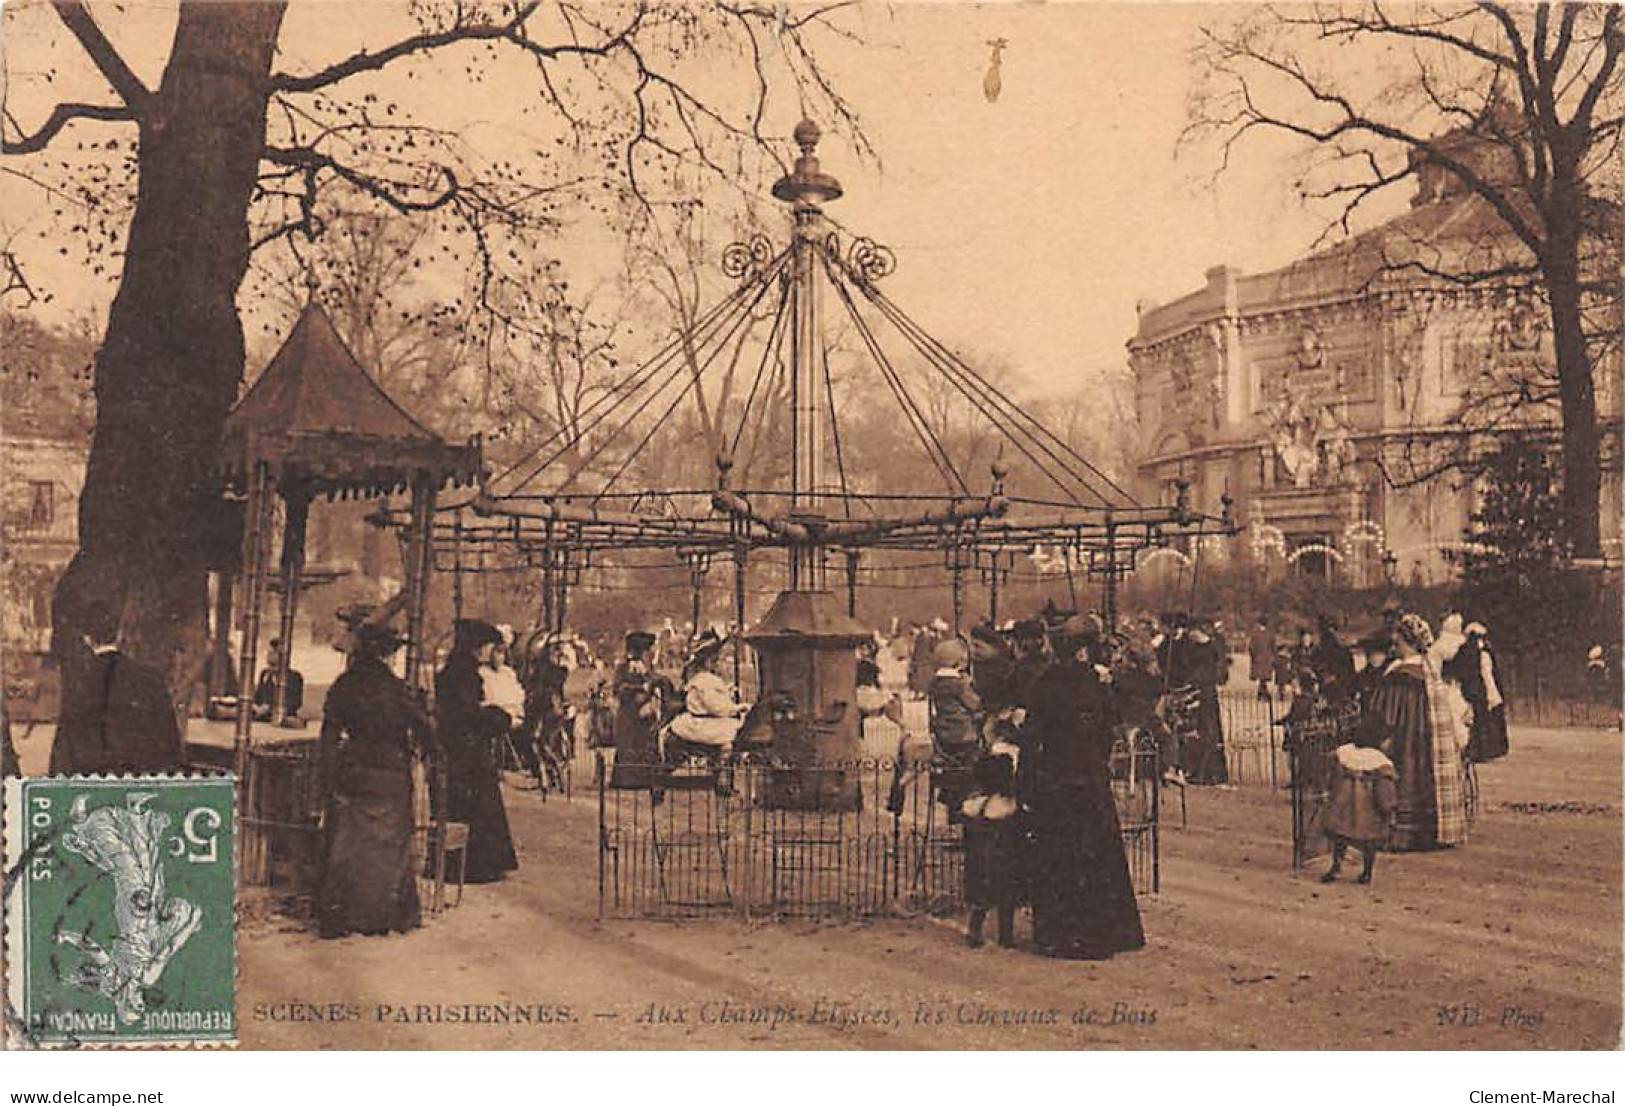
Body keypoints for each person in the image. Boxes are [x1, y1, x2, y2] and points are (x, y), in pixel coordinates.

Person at [1023, 613, 1144, 960]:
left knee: (1061, 859)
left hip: (1057, 783)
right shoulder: (1096, 685)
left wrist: (1027, 785)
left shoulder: (1044, 685)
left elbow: (1033, 741)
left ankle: (1061, 935)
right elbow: (1110, 731)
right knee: (1097, 859)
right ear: (1084, 652)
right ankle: (1105, 932)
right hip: (1090, 782)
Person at [315, 618, 434, 938]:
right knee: (390, 845)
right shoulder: (397, 689)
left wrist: (328, 775)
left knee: (348, 842)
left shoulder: (343, 686)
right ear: (385, 655)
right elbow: (424, 729)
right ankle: (383, 916)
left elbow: (328, 735)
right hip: (390, 773)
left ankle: (340, 916)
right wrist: (429, 751)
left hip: (353, 770)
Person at [1365, 613, 1470, 851]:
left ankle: (1401, 835)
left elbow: (1386, 716)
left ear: (1406, 641)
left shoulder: (1400, 676)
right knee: (1423, 778)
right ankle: (1429, 832)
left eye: (1398, 639)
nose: (1395, 643)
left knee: (1403, 779)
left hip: (1403, 738)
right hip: (1425, 738)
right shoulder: (1428, 671)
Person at [50, 597, 185, 775]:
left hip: (96, 792)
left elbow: (65, 754)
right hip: (144, 788)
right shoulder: (151, 678)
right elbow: (171, 744)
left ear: (87, 639)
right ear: (119, 634)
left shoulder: (79, 684)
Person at [435, 618, 518, 883]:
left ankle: (460, 864)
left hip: (459, 747)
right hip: (467, 749)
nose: (488, 652)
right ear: (476, 647)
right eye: (486, 646)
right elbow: (467, 715)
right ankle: (476, 866)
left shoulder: (455, 670)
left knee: (463, 806)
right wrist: (499, 719)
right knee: (476, 806)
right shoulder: (465, 674)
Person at [1320, 723, 1398, 886]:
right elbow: (1384, 791)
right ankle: (1366, 872)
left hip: (1342, 808)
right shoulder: (1380, 763)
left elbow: (1330, 775)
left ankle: (1336, 867)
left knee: (1340, 839)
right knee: (1370, 844)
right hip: (1367, 813)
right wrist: (1389, 807)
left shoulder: (1344, 754)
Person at [962, 752, 1023, 949]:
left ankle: (974, 931)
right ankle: (1006, 936)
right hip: (1005, 857)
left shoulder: (977, 804)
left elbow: (965, 812)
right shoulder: (1009, 804)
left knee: (981, 899)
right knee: (1007, 897)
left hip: (980, 859)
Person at [666, 629, 746, 762]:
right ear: (709, 663)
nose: (720, 665)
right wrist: (737, 708)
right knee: (734, 732)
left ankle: (722, 764)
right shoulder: (706, 680)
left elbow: (709, 698)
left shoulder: (701, 679)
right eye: (717, 661)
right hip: (702, 724)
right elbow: (716, 707)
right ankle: (722, 765)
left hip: (700, 719)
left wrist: (726, 691)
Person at [927, 635, 982, 819]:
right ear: (960, 662)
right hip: (964, 735)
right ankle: (966, 809)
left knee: (954, 769)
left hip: (944, 736)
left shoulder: (935, 684)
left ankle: (952, 803)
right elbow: (975, 704)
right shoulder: (958, 684)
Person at [609, 630, 672, 790]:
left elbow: (653, 679)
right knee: (630, 744)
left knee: (644, 743)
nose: (652, 651)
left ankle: (643, 778)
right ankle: (629, 780)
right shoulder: (625, 667)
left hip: (644, 712)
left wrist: (657, 682)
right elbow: (619, 688)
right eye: (649, 648)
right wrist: (641, 687)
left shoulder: (647, 667)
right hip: (629, 713)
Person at [1452, 623, 1509, 763]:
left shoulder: (1483, 653)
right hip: (1477, 690)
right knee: (1479, 720)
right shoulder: (1472, 652)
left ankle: (1486, 750)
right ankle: (1481, 750)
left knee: (1483, 720)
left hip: (1480, 689)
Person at [253, 638, 305, 722]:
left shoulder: (294, 677)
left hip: (282, 718)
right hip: (261, 718)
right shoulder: (265, 674)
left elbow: (294, 703)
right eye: (269, 653)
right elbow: (258, 697)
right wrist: (255, 706)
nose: (269, 656)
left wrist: (270, 708)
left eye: (273, 653)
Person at [1247, 618, 1275, 700]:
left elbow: (1251, 648)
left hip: (1258, 659)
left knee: (1262, 678)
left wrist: (1253, 656)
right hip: (1267, 659)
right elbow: (1274, 647)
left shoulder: (1255, 635)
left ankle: (1262, 693)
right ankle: (1263, 693)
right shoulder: (1270, 635)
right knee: (1264, 678)